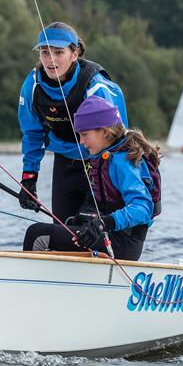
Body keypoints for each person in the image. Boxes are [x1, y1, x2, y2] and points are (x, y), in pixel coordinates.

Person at [22, 97, 161, 261]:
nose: (81, 142)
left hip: (123, 243)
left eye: (84, 134)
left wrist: (103, 223)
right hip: (109, 237)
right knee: (57, 231)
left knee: (37, 234)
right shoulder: (105, 157)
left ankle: (27, 285)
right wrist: (81, 221)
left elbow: (144, 208)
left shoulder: (123, 161)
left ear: (104, 131)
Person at [17, 22, 128, 222]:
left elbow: (118, 139)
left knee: (92, 228)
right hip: (64, 161)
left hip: (99, 163)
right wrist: (29, 179)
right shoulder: (32, 86)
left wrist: (110, 181)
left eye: (59, 52)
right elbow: (32, 134)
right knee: (63, 229)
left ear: (74, 54)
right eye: (44, 52)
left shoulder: (95, 88)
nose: (50, 60)